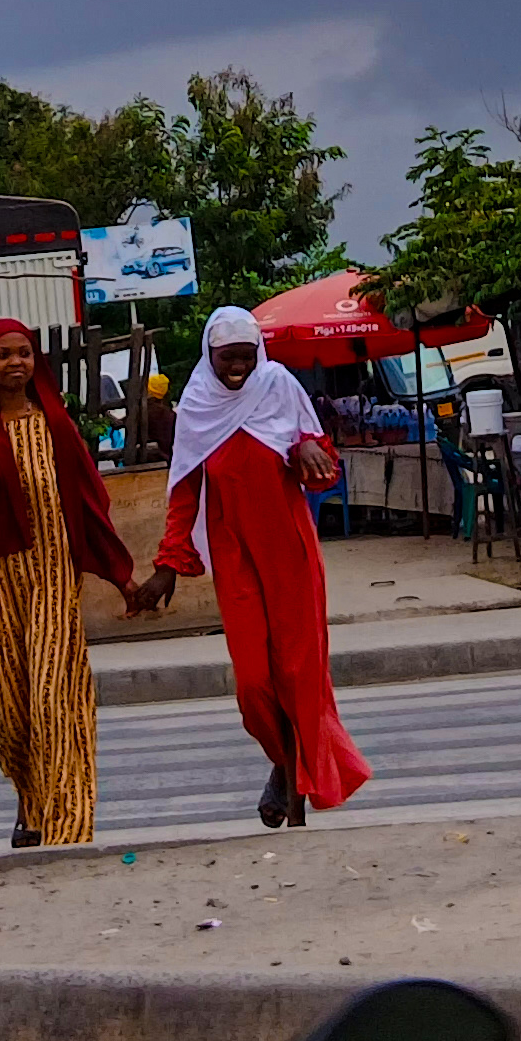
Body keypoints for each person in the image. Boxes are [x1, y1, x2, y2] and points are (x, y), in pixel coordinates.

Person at [124, 304, 371, 828]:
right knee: (255, 683)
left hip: (289, 551)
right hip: (234, 556)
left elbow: (323, 469)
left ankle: (300, 797)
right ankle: (283, 765)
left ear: (257, 354)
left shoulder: (278, 385)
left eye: (245, 357)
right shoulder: (196, 405)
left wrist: (305, 447)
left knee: (298, 673)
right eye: (226, 359)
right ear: (208, 355)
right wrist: (169, 565)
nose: (237, 367)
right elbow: (185, 490)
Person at [0, 320, 137, 848]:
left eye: (23, 354)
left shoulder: (56, 426)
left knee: (52, 696)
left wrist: (121, 576)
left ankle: (68, 826)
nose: (15, 363)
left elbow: (89, 505)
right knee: (16, 711)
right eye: (2, 355)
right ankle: (30, 802)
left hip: (52, 577)